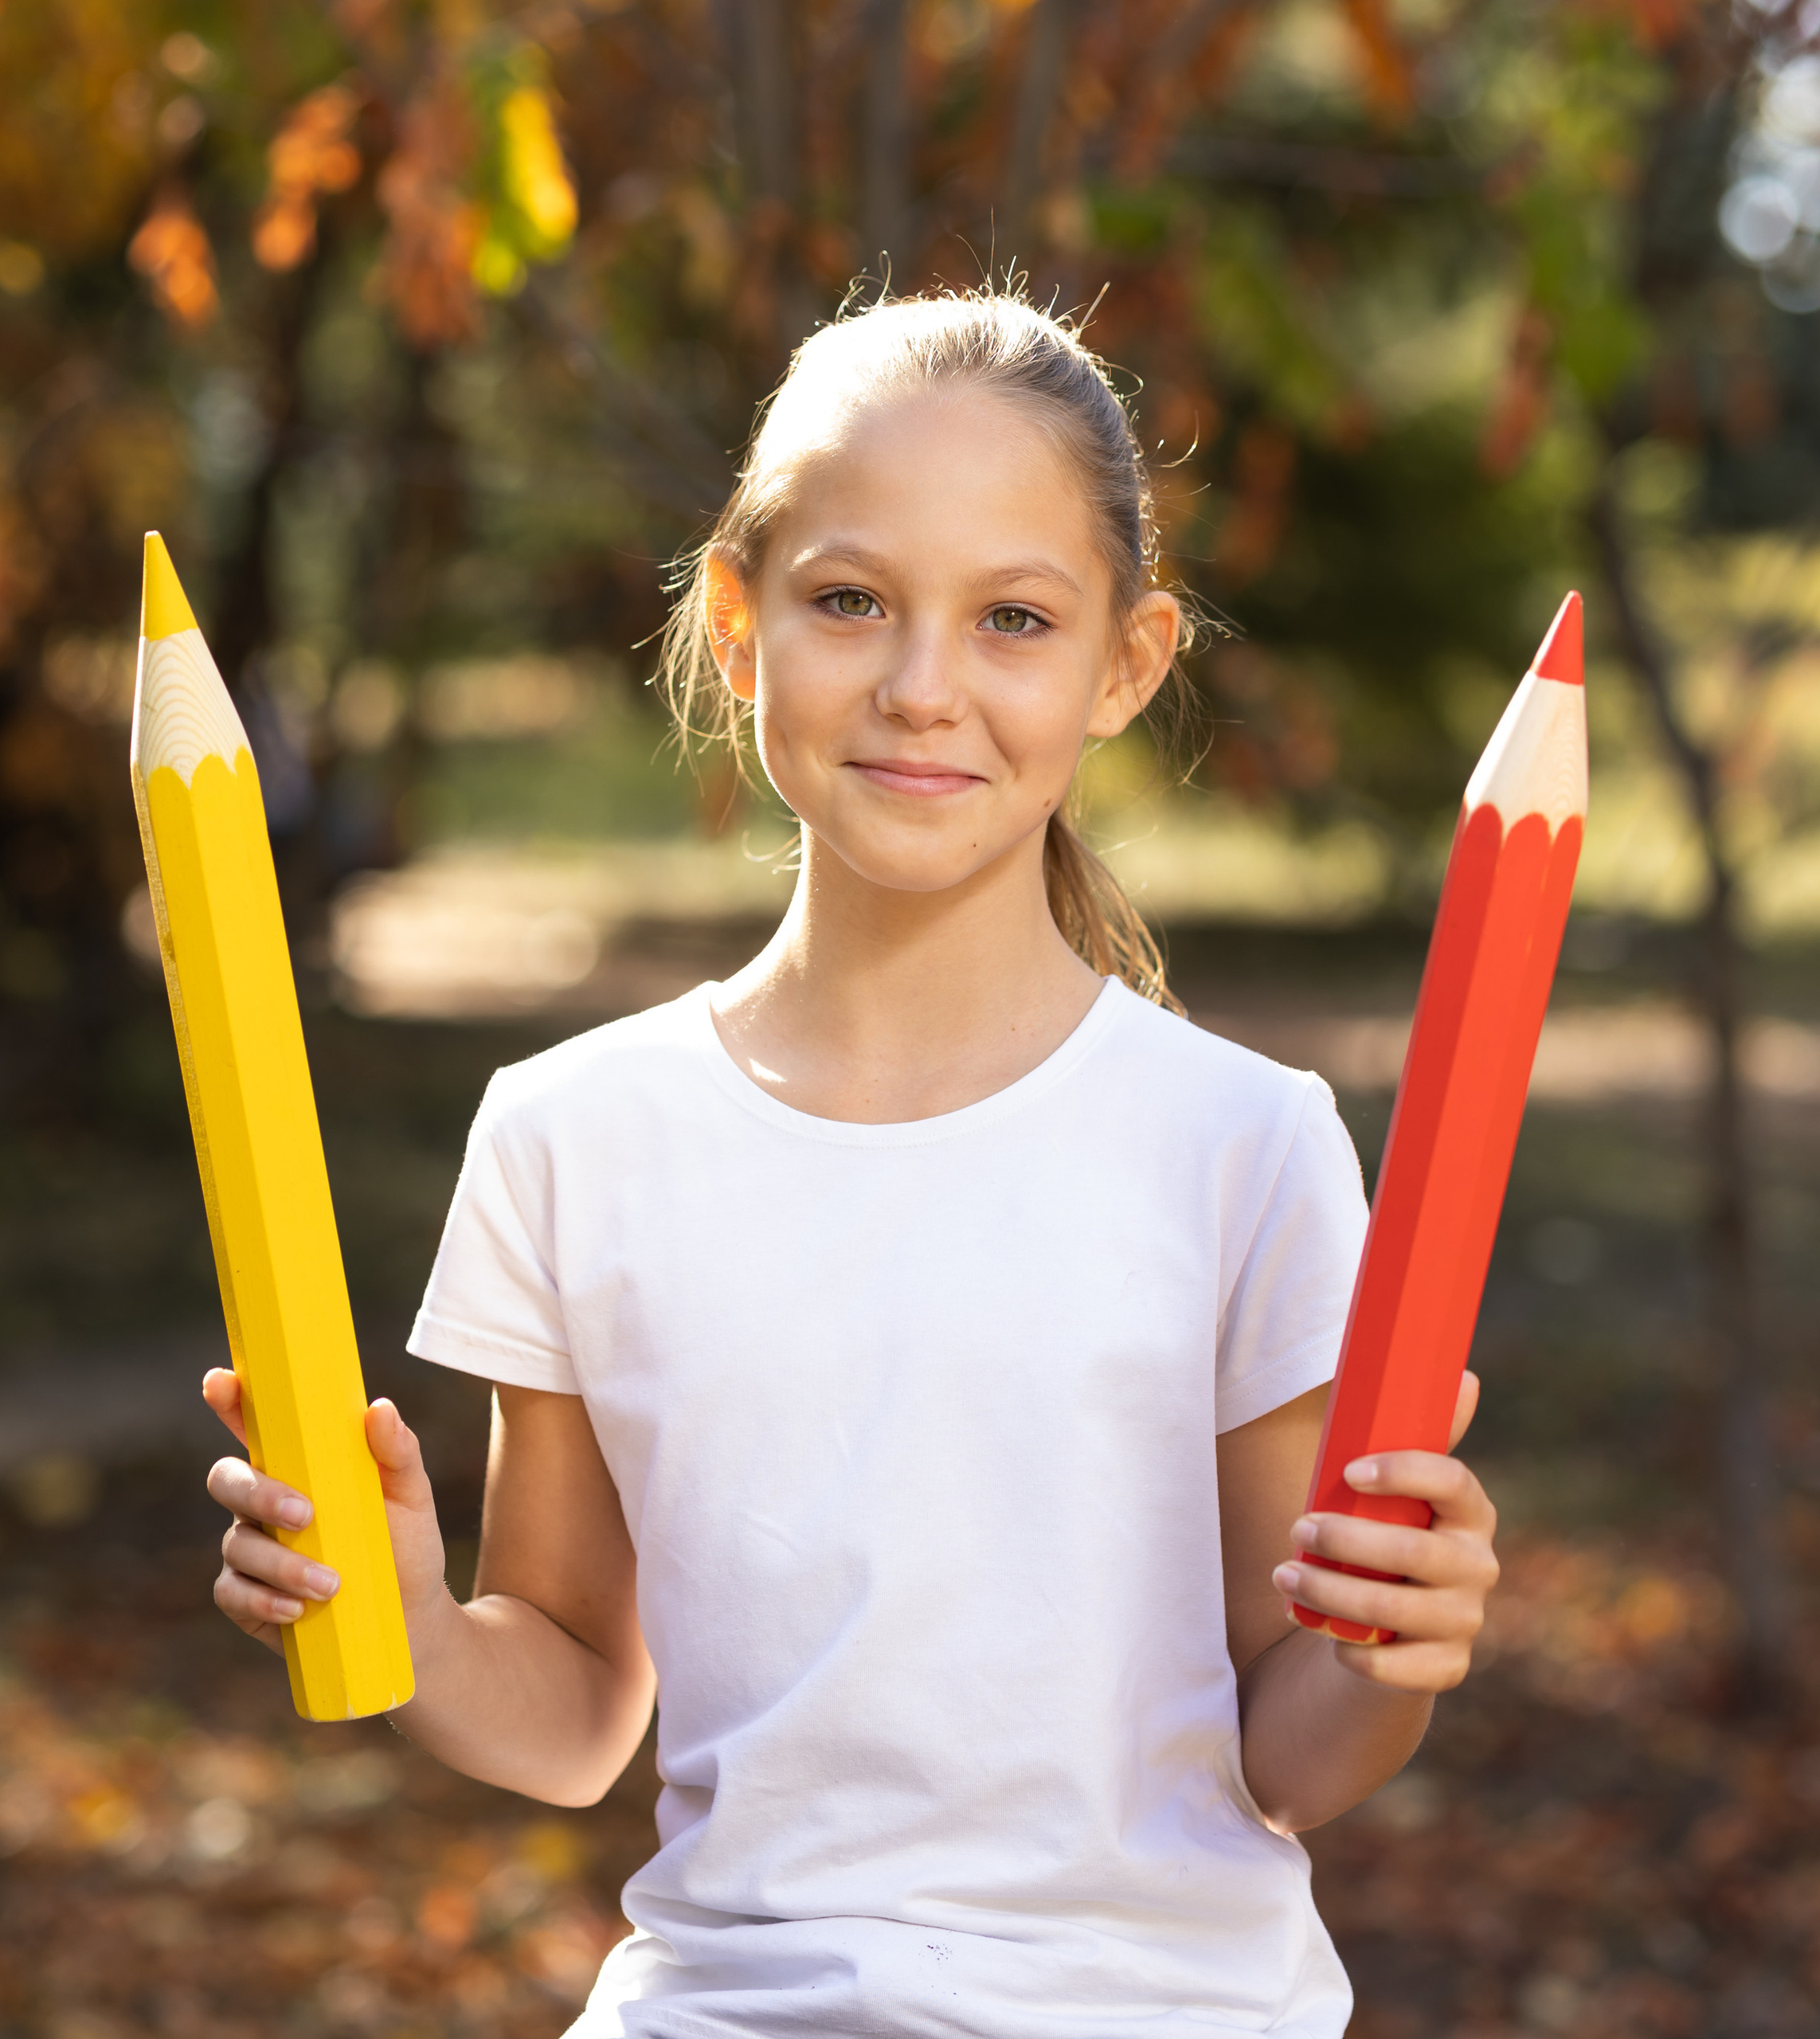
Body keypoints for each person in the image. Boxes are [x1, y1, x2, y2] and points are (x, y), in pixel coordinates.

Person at [202, 288, 1500, 2037]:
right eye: (845, 600)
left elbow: (1292, 1746)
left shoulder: (1240, 1146)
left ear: (1126, 662)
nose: (918, 687)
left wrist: (1383, 1646)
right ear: (736, 624)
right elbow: (580, 1701)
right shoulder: (574, 1132)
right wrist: (408, 1616)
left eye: (1013, 619)